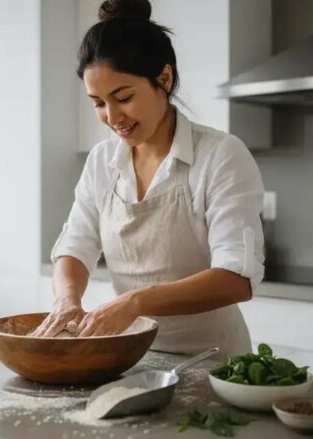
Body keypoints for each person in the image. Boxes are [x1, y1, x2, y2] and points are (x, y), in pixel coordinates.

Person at [32, 0, 264, 358]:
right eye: (98, 103)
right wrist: (67, 300)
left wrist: (136, 301)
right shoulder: (102, 162)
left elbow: (237, 278)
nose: (112, 117)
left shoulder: (220, 155)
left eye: (123, 97)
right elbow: (75, 247)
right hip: (133, 357)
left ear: (164, 79)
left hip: (215, 363)